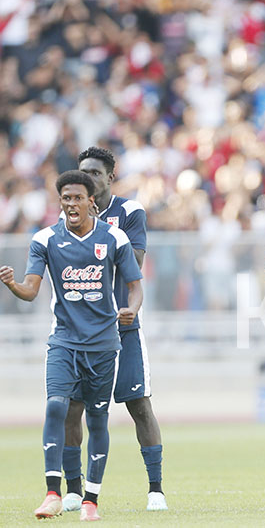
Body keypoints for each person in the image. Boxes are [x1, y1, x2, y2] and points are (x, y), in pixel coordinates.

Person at [0, 171, 143, 521]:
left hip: (104, 344)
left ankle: (90, 500)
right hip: (63, 341)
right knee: (55, 407)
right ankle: (53, 492)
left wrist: (132, 309)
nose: (71, 204)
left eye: (77, 198)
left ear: (90, 201)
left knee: (97, 418)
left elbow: (135, 286)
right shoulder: (45, 239)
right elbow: (31, 290)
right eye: (65, 199)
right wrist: (13, 285)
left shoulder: (114, 237)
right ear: (60, 202)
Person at [57, 147, 167, 512]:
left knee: (139, 404)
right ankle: (73, 491)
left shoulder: (130, 212)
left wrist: (95, 230)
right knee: (72, 408)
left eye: (95, 172)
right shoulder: (69, 215)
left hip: (122, 325)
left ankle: (156, 491)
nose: (87, 177)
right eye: (82, 171)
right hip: (79, 329)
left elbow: (133, 260)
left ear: (109, 178)